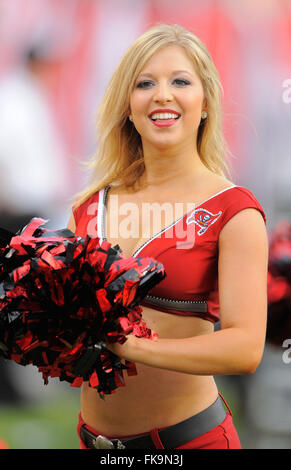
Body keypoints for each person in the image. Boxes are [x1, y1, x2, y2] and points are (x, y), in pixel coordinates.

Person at [68, 24, 269, 450]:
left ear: (205, 103)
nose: (162, 94)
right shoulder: (90, 205)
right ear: (127, 105)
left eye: (180, 81)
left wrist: (132, 347)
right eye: (144, 83)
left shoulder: (233, 209)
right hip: (94, 442)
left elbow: (245, 348)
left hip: (188, 443)